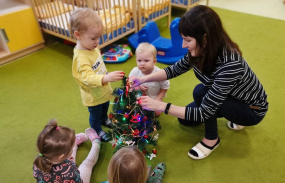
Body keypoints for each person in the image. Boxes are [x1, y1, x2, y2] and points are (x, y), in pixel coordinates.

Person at [130, 5, 269, 160]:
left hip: (252, 110)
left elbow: (204, 112)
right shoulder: (202, 50)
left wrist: (160, 106)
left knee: (202, 96)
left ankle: (212, 139)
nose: (183, 45)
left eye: (188, 40)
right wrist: (143, 78)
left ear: (205, 38)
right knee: (189, 111)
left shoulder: (230, 63)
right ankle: (229, 114)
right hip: (228, 96)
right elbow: (175, 69)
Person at [70, 8, 124, 141]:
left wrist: (106, 78)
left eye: (99, 37)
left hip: (103, 90)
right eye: (94, 38)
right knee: (95, 114)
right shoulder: (81, 58)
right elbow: (87, 78)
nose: (97, 41)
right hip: (93, 96)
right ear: (78, 35)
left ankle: (104, 119)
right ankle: (97, 130)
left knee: (105, 107)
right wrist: (107, 78)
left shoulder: (91, 47)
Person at [33, 119, 102, 183]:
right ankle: (96, 143)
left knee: (69, 157)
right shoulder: (71, 171)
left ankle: (73, 143)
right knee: (87, 164)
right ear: (61, 156)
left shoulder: (38, 160)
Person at [129, 42, 170, 116]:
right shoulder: (135, 71)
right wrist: (139, 87)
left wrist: (158, 98)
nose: (142, 63)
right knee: (132, 109)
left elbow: (165, 87)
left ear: (154, 62)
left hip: (154, 97)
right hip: (139, 97)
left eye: (146, 61)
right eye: (139, 60)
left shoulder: (159, 73)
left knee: (157, 113)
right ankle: (140, 104)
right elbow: (129, 82)